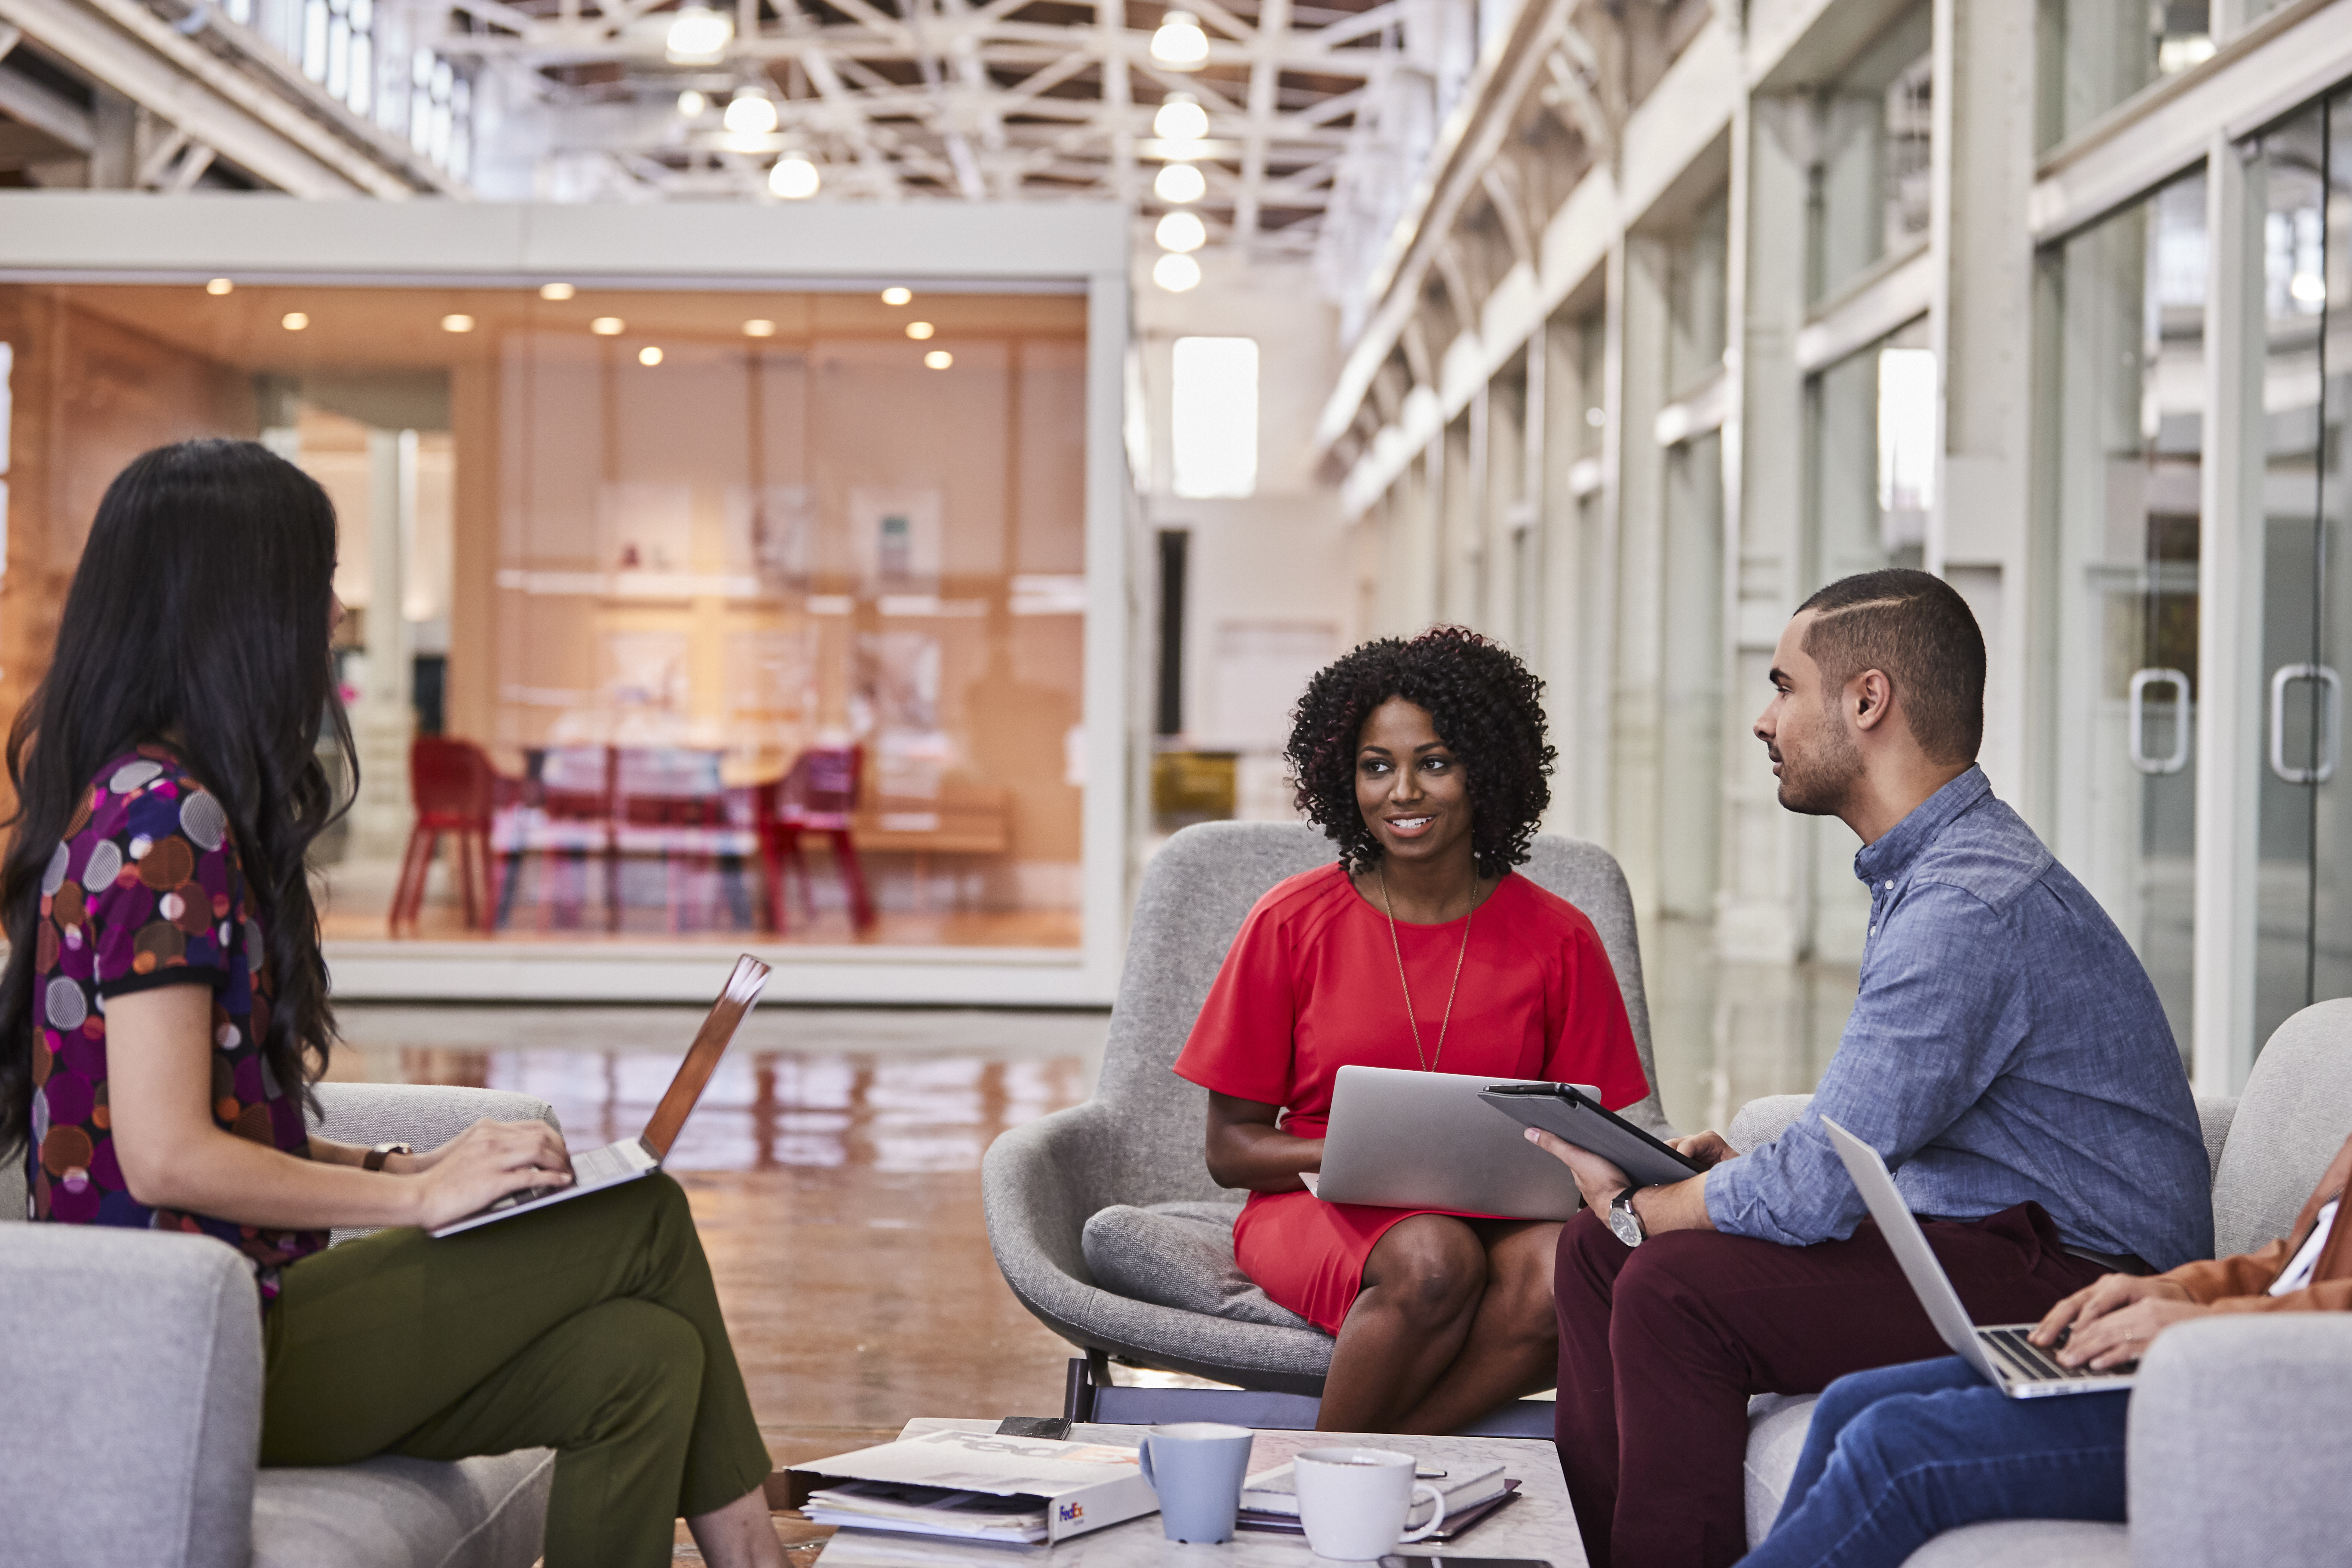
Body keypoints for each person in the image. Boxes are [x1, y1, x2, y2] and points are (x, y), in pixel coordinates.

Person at [0, 440, 783, 1568]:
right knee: (639, 1216)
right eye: (316, 580)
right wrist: (420, 1207)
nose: (335, 610)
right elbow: (166, 1157)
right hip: (190, 1352)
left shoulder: (150, 800)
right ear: (243, 604)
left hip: (230, 1312)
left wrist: (395, 1168)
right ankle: (758, 1557)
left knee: (641, 1361)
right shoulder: (161, 823)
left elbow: (189, 1119)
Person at [1524, 569, 2212, 1568]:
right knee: (1597, 1257)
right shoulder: (1930, 874)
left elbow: (1813, 1189)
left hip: (2085, 1281)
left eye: (1783, 686)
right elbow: (1863, 1139)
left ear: (1867, 700)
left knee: (1668, 1282)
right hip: (1990, 1236)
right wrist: (1694, 1194)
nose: (1765, 720)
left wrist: (1649, 1206)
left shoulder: (1965, 905)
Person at [1173, 627, 1651, 1433]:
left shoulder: (1561, 938)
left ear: (1485, 771)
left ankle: (1371, 1465)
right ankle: (1334, 1480)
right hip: (1318, 1209)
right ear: (1344, 778)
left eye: (1434, 762)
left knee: (1568, 1273)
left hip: (1500, 1216)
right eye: (1376, 766)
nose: (1403, 791)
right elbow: (1230, 1150)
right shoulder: (1290, 922)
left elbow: (1593, 1132)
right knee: (1433, 1257)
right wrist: (1374, 1152)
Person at [1744, 1124, 2352, 1567]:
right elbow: (2303, 1264)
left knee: (1899, 1447)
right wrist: (2180, 1292)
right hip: (2228, 1358)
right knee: (1853, 1401)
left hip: (2286, 1407)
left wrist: (2211, 1328)